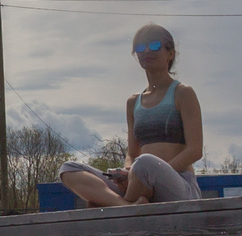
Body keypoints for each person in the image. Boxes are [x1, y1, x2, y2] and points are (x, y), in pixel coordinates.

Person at [59, 23, 206, 207]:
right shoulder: (133, 102)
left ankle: (116, 205)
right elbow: (132, 152)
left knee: (145, 163)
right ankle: (126, 206)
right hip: (138, 181)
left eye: (154, 46)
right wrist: (126, 172)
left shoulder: (183, 93)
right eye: (140, 47)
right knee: (69, 169)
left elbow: (195, 150)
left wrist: (152, 172)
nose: (146, 51)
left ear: (170, 53)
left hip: (177, 183)